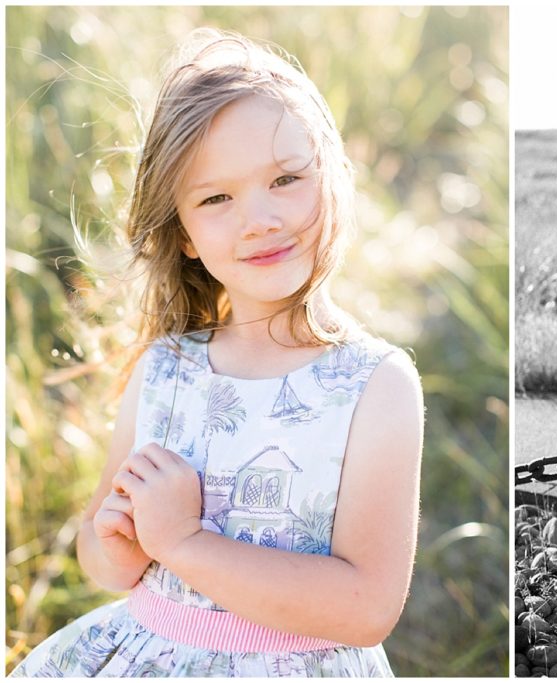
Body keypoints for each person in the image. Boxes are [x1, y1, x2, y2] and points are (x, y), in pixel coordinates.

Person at [12, 29, 423, 677]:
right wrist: (119, 539)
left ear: (332, 180)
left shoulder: (373, 384)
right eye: (216, 198)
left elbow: (367, 605)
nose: (259, 218)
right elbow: (100, 549)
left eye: (286, 178)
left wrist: (182, 540)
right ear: (185, 236)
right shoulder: (168, 370)